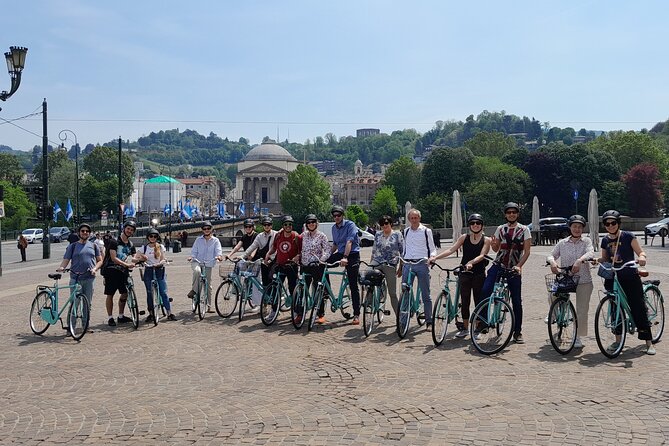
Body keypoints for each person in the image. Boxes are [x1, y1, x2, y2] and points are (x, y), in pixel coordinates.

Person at [595, 209, 655, 355]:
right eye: (607, 223)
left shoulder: (628, 236)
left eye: (613, 223)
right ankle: (617, 341)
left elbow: (641, 252)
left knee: (638, 306)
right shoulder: (605, 240)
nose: (610, 226)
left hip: (629, 275)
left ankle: (648, 342)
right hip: (613, 277)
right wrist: (597, 260)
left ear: (618, 223)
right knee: (615, 308)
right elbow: (605, 258)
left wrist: (641, 258)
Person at [429, 213, 490, 338]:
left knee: (478, 300)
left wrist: (471, 263)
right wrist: (436, 257)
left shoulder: (486, 240)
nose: (475, 225)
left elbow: (482, 255)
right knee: (465, 300)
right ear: (469, 225)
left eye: (478, 223)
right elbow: (451, 250)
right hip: (464, 273)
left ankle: (478, 327)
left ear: (482, 225)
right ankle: (466, 328)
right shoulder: (464, 237)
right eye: (473, 223)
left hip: (478, 273)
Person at [481, 202, 532, 344]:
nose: (511, 214)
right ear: (505, 214)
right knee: (485, 290)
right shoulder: (500, 229)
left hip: (513, 267)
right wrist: (494, 245)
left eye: (514, 212)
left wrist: (519, 266)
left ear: (517, 214)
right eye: (509, 212)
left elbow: (527, 251)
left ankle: (517, 331)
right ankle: (483, 323)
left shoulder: (524, 230)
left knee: (516, 300)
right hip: (499, 264)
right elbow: (496, 250)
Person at [546, 214, 594, 349]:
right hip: (566, 278)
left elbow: (591, 253)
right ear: (570, 227)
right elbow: (551, 254)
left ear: (583, 228)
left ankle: (577, 336)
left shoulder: (587, 241)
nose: (577, 229)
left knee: (582, 309)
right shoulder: (562, 243)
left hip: (583, 279)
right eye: (574, 226)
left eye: (579, 227)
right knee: (552, 294)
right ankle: (555, 315)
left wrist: (580, 260)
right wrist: (552, 262)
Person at [401, 208, 437, 331]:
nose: (414, 220)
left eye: (416, 217)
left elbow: (432, 248)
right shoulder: (405, 231)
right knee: (405, 292)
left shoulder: (426, 231)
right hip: (408, 263)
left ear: (419, 218)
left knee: (425, 293)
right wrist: (401, 261)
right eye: (411, 218)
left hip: (422, 263)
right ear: (409, 219)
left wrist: (432, 257)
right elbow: (404, 248)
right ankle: (403, 321)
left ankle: (429, 321)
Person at [327, 205, 362, 325]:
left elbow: (349, 242)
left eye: (339, 215)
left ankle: (356, 314)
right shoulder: (333, 228)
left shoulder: (350, 225)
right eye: (334, 215)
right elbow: (335, 245)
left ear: (343, 215)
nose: (336, 217)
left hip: (352, 254)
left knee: (353, 285)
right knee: (322, 266)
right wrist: (326, 256)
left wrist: (346, 258)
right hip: (341, 252)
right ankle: (326, 291)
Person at [57, 223, 103, 309]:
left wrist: (95, 269)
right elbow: (66, 260)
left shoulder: (94, 246)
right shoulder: (73, 246)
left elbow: (100, 261)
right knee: (74, 304)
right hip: (75, 279)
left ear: (89, 233)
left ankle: (86, 322)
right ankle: (71, 322)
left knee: (87, 304)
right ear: (79, 232)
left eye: (87, 231)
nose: (85, 232)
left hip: (89, 278)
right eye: (82, 231)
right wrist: (62, 267)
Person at [135, 228, 177, 322]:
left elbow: (163, 258)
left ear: (157, 237)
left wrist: (160, 263)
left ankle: (169, 313)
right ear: (148, 237)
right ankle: (150, 313)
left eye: (155, 236)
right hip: (148, 270)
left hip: (159, 269)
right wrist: (141, 259)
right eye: (151, 236)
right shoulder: (144, 248)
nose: (153, 238)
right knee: (149, 293)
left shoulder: (160, 247)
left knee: (163, 292)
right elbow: (135, 258)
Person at [102, 220, 139, 326]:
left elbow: (134, 256)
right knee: (110, 294)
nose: (129, 231)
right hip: (112, 270)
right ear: (124, 229)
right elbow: (113, 258)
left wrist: (142, 259)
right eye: (128, 229)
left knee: (125, 293)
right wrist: (126, 265)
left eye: (131, 230)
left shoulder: (131, 244)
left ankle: (121, 316)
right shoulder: (114, 242)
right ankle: (110, 317)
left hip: (123, 272)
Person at [369, 215, 404, 315]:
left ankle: (399, 317)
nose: (384, 226)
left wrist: (401, 267)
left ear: (391, 224)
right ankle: (370, 299)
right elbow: (374, 250)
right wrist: (371, 264)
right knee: (366, 275)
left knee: (392, 293)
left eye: (386, 223)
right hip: (377, 261)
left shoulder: (397, 234)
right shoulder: (378, 235)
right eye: (382, 224)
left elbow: (402, 252)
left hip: (390, 263)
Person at [300, 214, 331, 324]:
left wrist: (321, 260)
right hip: (304, 265)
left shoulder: (321, 236)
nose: (311, 224)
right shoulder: (303, 235)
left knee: (319, 289)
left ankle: (320, 314)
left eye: (313, 222)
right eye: (309, 222)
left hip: (316, 266)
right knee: (302, 289)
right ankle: (300, 313)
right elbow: (297, 247)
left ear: (316, 223)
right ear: (306, 224)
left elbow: (328, 250)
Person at [187, 221, 223, 313]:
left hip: (208, 263)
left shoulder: (215, 240)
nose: (206, 230)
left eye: (208, 228)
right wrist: (191, 256)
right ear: (202, 230)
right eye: (204, 229)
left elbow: (218, 251)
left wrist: (219, 256)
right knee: (197, 271)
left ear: (211, 229)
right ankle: (194, 291)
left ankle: (209, 306)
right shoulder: (198, 240)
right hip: (197, 262)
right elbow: (194, 251)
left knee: (208, 285)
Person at [265, 215, 301, 302]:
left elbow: (301, 251)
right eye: (285, 224)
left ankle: (295, 309)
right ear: (282, 226)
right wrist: (268, 254)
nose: (288, 226)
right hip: (280, 265)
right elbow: (274, 248)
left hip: (291, 266)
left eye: (290, 224)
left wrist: (297, 256)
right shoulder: (278, 236)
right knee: (276, 287)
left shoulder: (296, 236)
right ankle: (274, 310)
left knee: (292, 287)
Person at [240, 216, 276, 288]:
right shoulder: (260, 236)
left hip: (273, 261)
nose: (266, 226)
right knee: (265, 282)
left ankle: (274, 298)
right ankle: (266, 298)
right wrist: (242, 256)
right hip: (264, 262)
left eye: (268, 225)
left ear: (271, 226)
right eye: (265, 225)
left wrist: (272, 258)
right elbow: (252, 247)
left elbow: (278, 248)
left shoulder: (276, 234)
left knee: (272, 281)